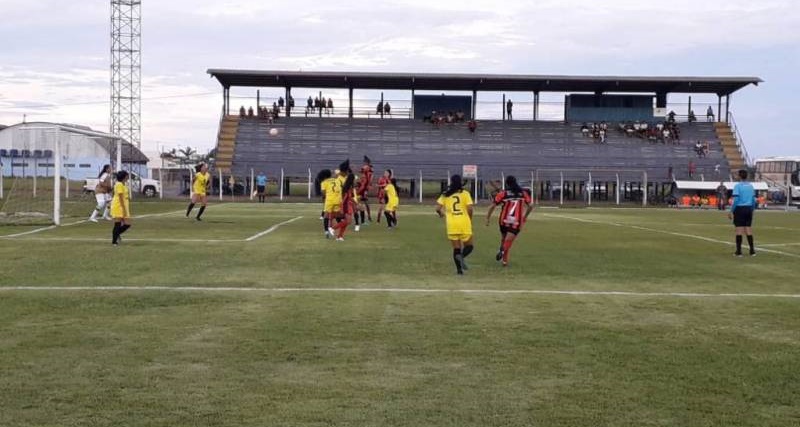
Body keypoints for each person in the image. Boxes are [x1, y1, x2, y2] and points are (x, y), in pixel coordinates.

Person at [485, 175, 533, 267]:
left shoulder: (503, 193)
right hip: (516, 221)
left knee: (504, 239)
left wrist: (488, 218)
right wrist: (525, 216)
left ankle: (504, 261)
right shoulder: (523, 193)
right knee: (508, 241)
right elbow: (531, 205)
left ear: (507, 184)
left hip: (504, 220)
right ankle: (502, 251)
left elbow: (492, 206)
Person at [436, 174, 474, 275]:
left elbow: (437, 208)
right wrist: (469, 219)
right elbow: (470, 209)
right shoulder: (465, 194)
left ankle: (459, 271)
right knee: (469, 246)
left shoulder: (446, 194)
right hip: (464, 222)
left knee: (456, 248)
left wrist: (441, 214)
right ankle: (461, 256)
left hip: (451, 223)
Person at [728, 169, 757, 256]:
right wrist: (752, 209)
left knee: (739, 230)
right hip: (748, 208)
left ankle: (739, 252)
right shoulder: (750, 186)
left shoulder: (737, 186)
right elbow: (753, 200)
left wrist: (731, 211)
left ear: (740, 176)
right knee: (748, 229)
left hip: (740, 209)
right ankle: (752, 251)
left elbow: (736, 200)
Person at [110, 170, 132, 246]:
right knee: (118, 223)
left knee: (127, 224)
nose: (128, 177)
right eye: (127, 175)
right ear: (124, 176)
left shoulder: (123, 184)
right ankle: (114, 241)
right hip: (118, 205)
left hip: (124, 205)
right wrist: (123, 208)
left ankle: (116, 234)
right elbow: (120, 197)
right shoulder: (119, 184)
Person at [357, 155, 374, 223]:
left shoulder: (366, 168)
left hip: (364, 187)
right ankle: (367, 216)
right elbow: (370, 177)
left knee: (360, 202)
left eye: (364, 161)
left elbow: (361, 171)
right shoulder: (370, 169)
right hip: (364, 187)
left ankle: (361, 217)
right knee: (364, 203)